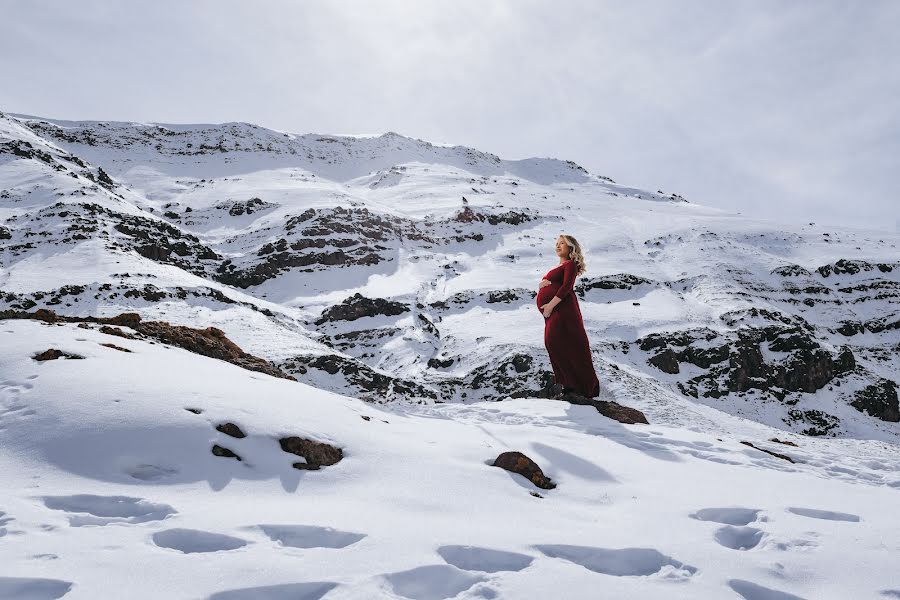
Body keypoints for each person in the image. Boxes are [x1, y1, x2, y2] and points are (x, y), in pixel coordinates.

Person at [536, 235, 600, 398]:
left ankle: (578, 386)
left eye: (562, 243)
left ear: (571, 247)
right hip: (554, 313)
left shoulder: (570, 265)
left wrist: (549, 306)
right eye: (557, 243)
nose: (558, 246)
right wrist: (543, 283)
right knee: (554, 344)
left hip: (562, 311)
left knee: (562, 343)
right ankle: (566, 383)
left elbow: (566, 287)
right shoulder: (560, 265)